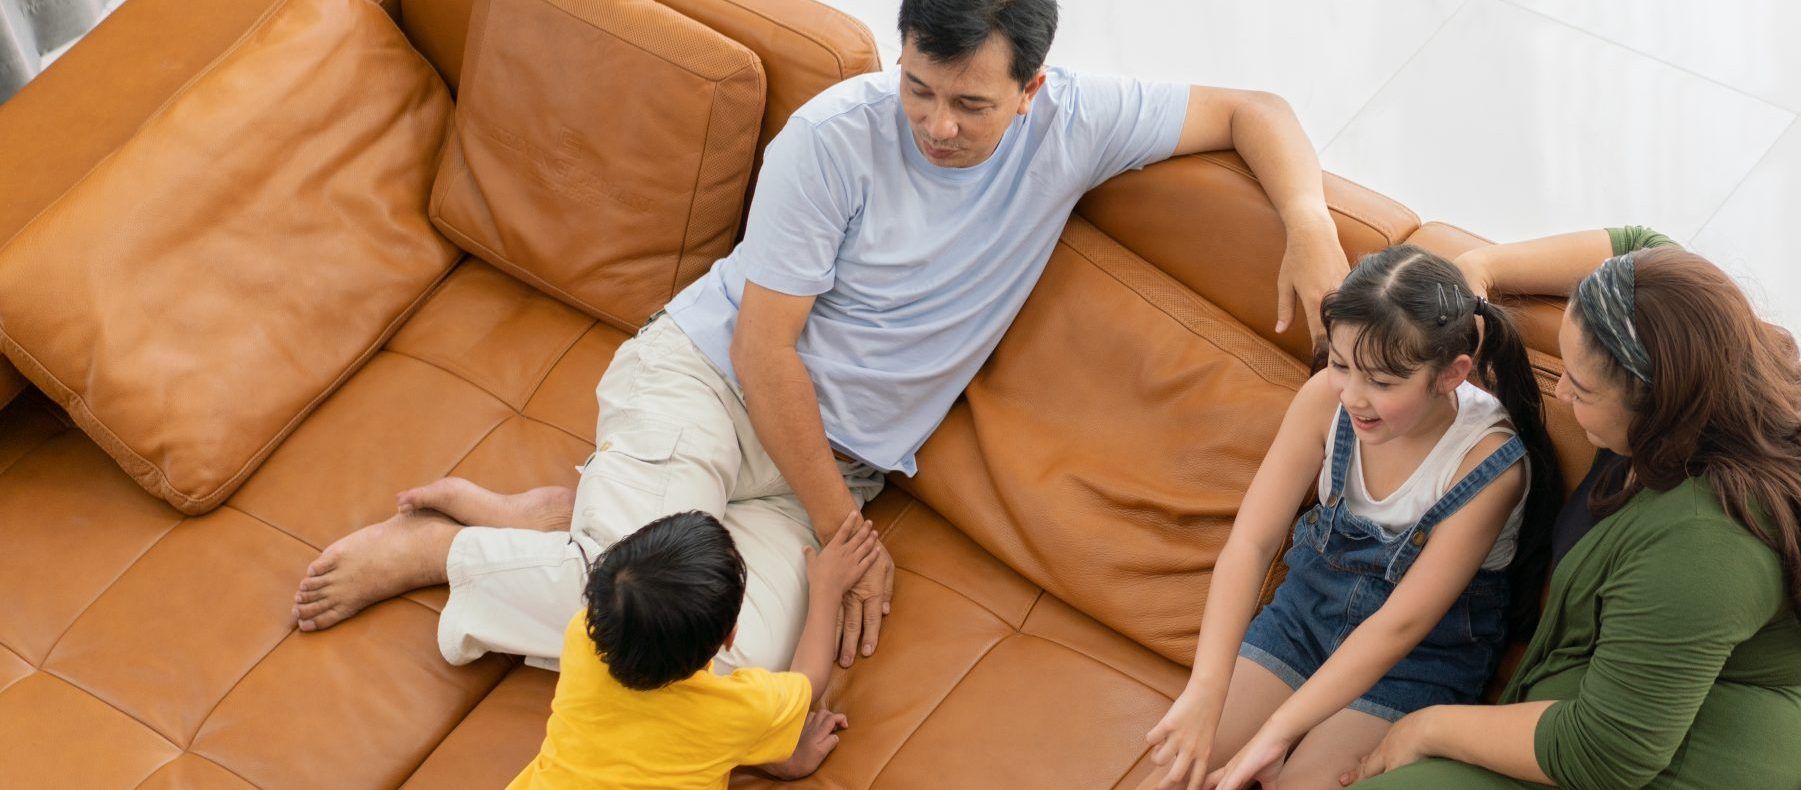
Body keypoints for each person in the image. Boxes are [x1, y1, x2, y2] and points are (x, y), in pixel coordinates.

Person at [287, 0, 1354, 679]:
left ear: (1032, 93)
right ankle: (446, 553)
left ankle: (552, 522)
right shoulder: (833, 140)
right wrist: (849, 540)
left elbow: (1254, 109)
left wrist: (1307, 224)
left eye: (971, 105)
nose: (936, 125)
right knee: (640, 617)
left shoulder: (1079, 121)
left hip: (818, 470)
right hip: (709, 386)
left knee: (713, 665)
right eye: (918, 88)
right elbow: (761, 354)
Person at [1340, 228, 1801, 790]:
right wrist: (1477, 268)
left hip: (1637, 767)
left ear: (1660, 404)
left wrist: (1425, 729)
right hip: (1577, 730)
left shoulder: (1707, 544)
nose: (1561, 392)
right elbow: (1639, 249)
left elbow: (1607, 753)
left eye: (1583, 389)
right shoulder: (1703, 362)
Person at [1141, 246, 1564, 790]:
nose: (1354, 396)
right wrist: (1205, 691)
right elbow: (1250, 543)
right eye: (1341, 365)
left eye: (1383, 383)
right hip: (1303, 618)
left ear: (1451, 374)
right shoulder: (1325, 400)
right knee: (1174, 776)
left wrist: (1275, 734)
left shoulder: (1487, 466)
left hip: (1415, 660)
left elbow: (1400, 627)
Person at [508, 509, 884, 787]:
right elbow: (809, 680)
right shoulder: (738, 711)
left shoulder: (581, 637)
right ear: (729, 637)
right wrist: (827, 589)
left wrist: (764, 748)